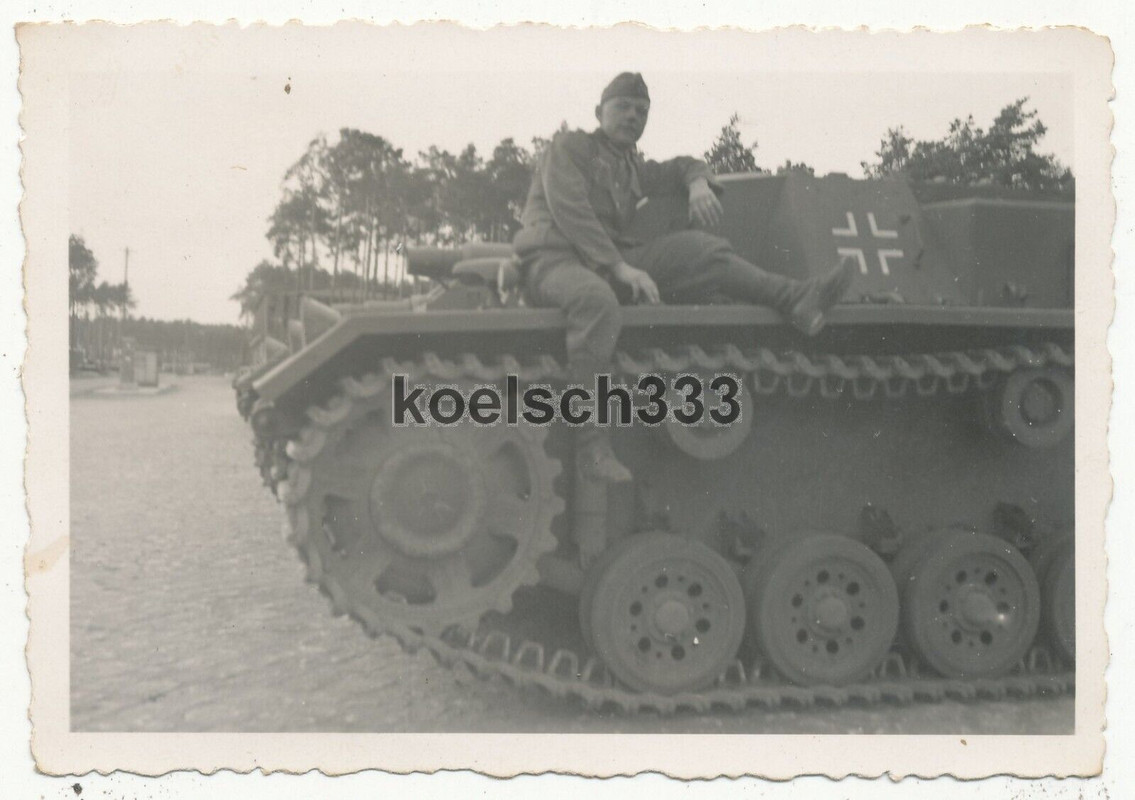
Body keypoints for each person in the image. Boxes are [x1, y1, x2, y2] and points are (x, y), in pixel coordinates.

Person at [513, 72, 854, 483]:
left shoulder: (632, 167)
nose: (632, 116)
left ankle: (797, 298)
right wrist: (621, 267)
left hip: (610, 263)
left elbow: (682, 165)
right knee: (596, 302)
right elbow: (572, 213)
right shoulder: (568, 148)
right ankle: (591, 446)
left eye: (641, 111)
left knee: (702, 250)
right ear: (598, 112)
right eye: (622, 107)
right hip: (554, 260)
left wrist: (696, 183)